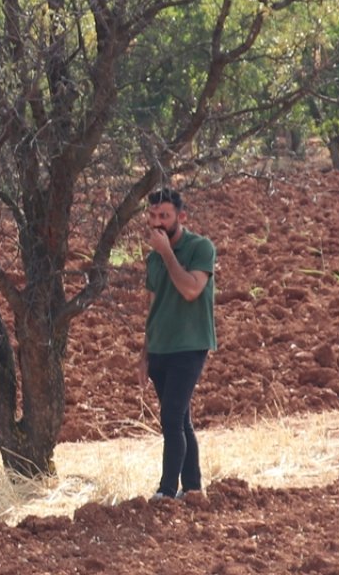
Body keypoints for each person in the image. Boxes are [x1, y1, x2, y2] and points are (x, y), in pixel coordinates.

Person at [140, 187, 217, 500]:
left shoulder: (200, 248)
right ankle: (194, 488)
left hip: (189, 344)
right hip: (160, 347)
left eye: (165, 216)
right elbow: (152, 306)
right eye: (153, 216)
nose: (158, 222)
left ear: (180, 217)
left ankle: (167, 490)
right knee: (181, 419)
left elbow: (191, 290)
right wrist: (144, 354)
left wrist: (167, 254)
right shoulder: (152, 259)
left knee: (171, 417)